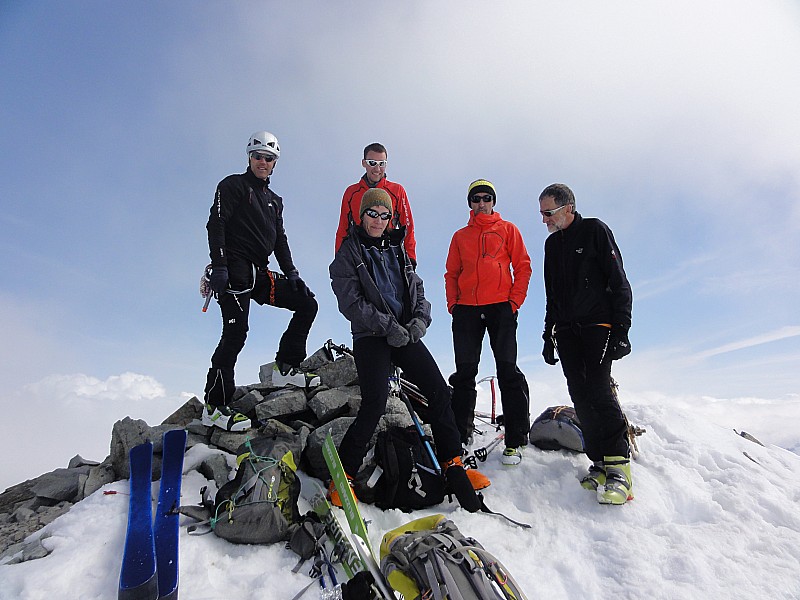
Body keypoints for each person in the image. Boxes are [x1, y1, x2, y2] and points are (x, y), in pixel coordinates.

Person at [329, 188, 489, 512]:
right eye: (372, 213)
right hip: (371, 336)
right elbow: (351, 302)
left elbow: (416, 287)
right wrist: (389, 328)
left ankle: (452, 463)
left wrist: (420, 320)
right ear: (362, 216)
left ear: (391, 218)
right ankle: (342, 475)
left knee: (440, 395)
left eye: (384, 214)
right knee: (374, 404)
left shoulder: (397, 248)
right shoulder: (348, 252)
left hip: (405, 332)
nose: (377, 220)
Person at [203, 131, 319, 431]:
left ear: (275, 163)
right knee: (235, 333)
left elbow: (279, 239)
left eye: (269, 158)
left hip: (259, 273)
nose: (263, 162)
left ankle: (286, 367)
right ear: (249, 157)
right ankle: (215, 406)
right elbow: (216, 223)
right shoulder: (232, 186)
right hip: (234, 269)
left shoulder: (274, 201)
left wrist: (292, 272)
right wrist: (219, 266)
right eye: (258, 157)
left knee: (307, 304)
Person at [538, 183, 634, 505]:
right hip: (566, 331)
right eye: (542, 214)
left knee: (598, 390)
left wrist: (622, 329)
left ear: (568, 208)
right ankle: (599, 463)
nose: (544, 220)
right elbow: (551, 295)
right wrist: (548, 334)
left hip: (598, 326)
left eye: (548, 213)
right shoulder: (552, 246)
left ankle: (619, 466)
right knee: (579, 394)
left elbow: (619, 280)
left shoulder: (594, 231)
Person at [445, 180, 532, 466]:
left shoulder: (508, 230)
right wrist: (454, 305)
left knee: (507, 368)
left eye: (486, 198)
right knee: (465, 371)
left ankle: (516, 438)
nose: (481, 204)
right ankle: (460, 434)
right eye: (476, 199)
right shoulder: (460, 236)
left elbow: (522, 266)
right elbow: (451, 273)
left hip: (500, 308)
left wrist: (513, 302)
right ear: (470, 204)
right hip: (467, 309)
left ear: (493, 201)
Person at [334, 142, 416, 264]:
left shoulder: (397, 191)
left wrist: (411, 259)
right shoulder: (351, 193)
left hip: (389, 255)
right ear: (364, 163)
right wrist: (339, 260)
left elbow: (408, 227)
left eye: (382, 164)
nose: (377, 169)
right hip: (360, 256)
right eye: (372, 163)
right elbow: (343, 229)